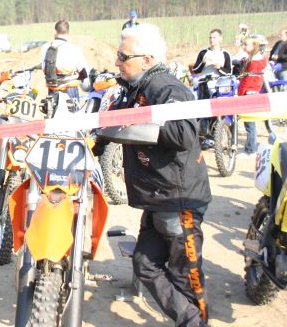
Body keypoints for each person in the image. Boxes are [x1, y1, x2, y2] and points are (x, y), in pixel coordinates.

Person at [94, 24, 211, 327]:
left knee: (186, 277)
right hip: (157, 197)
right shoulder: (135, 89)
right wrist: (93, 144)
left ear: (146, 60)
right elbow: (114, 123)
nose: (117, 61)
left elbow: (184, 133)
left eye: (123, 56)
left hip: (179, 198)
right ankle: (190, 320)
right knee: (145, 264)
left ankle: (196, 322)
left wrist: (139, 125)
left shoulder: (166, 88)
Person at [192, 29, 232, 149]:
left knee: (217, 111)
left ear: (220, 38)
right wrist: (204, 63)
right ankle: (204, 135)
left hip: (218, 85)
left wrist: (219, 68)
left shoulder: (225, 54)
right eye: (210, 37)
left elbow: (229, 71)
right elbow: (195, 70)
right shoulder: (204, 52)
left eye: (214, 37)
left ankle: (216, 136)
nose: (211, 40)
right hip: (204, 84)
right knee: (204, 110)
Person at [41, 20, 92, 107]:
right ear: (68, 33)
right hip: (70, 89)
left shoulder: (46, 47)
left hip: (52, 88)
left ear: (55, 32)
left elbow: (44, 67)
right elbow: (83, 73)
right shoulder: (73, 49)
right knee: (73, 114)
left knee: (52, 113)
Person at [236, 34, 268, 158]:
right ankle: (251, 147)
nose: (244, 46)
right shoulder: (255, 59)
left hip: (249, 92)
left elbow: (248, 80)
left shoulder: (254, 62)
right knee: (250, 122)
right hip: (253, 90)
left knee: (249, 122)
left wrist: (240, 92)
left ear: (254, 46)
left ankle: (251, 149)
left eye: (246, 45)